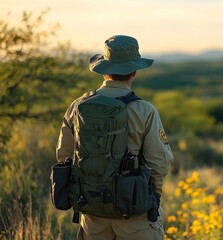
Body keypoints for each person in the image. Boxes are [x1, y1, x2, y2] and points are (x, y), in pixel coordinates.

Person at [56, 35, 173, 240]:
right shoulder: (145, 110)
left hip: (92, 213)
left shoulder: (77, 107)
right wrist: (152, 199)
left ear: (104, 70)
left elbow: (64, 156)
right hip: (134, 214)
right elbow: (159, 163)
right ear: (134, 72)